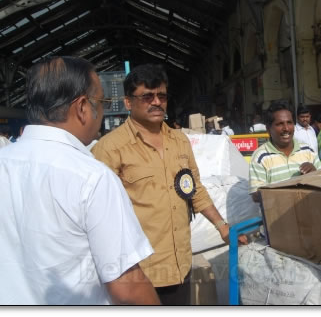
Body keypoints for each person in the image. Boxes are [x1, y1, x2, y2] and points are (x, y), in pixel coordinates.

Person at [0, 56, 159, 305]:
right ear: (83, 107)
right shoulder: (91, 178)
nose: (103, 111)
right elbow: (128, 290)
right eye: (102, 102)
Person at [91, 63, 247, 305]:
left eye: (161, 95)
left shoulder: (180, 141)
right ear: (128, 103)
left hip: (179, 265)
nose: (156, 102)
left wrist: (222, 226)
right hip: (138, 274)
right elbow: (98, 215)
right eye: (147, 96)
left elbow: (195, 190)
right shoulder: (110, 149)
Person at [249, 101, 321, 202]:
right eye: (280, 124)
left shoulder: (307, 151)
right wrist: (291, 189)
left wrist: (314, 173)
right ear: (268, 129)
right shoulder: (260, 157)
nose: (286, 128)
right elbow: (256, 195)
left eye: (289, 123)